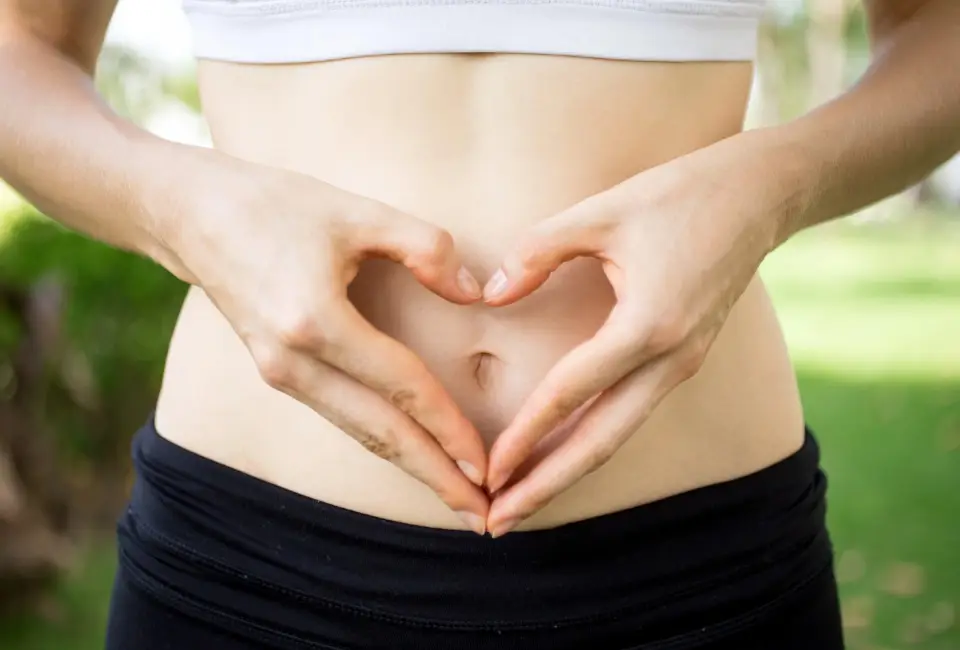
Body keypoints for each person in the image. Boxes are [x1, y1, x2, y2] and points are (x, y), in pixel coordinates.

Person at [1, 0, 958, 647]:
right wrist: (183, 207)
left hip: (697, 568)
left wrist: (770, 189)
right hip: (251, 559)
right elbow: (20, 50)